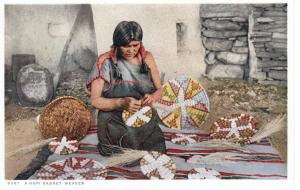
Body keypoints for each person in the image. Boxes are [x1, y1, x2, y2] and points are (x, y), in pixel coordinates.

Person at [86, 21, 166, 156]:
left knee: (156, 149)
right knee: (129, 149)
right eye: (126, 46)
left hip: (142, 114)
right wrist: (121, 103)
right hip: (113, 118)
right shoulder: (105, 62)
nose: (131, 50)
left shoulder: (147, 58)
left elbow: (160, 90)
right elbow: (94, 101)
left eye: (135, 45)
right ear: (117, 44)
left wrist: (152, 97)